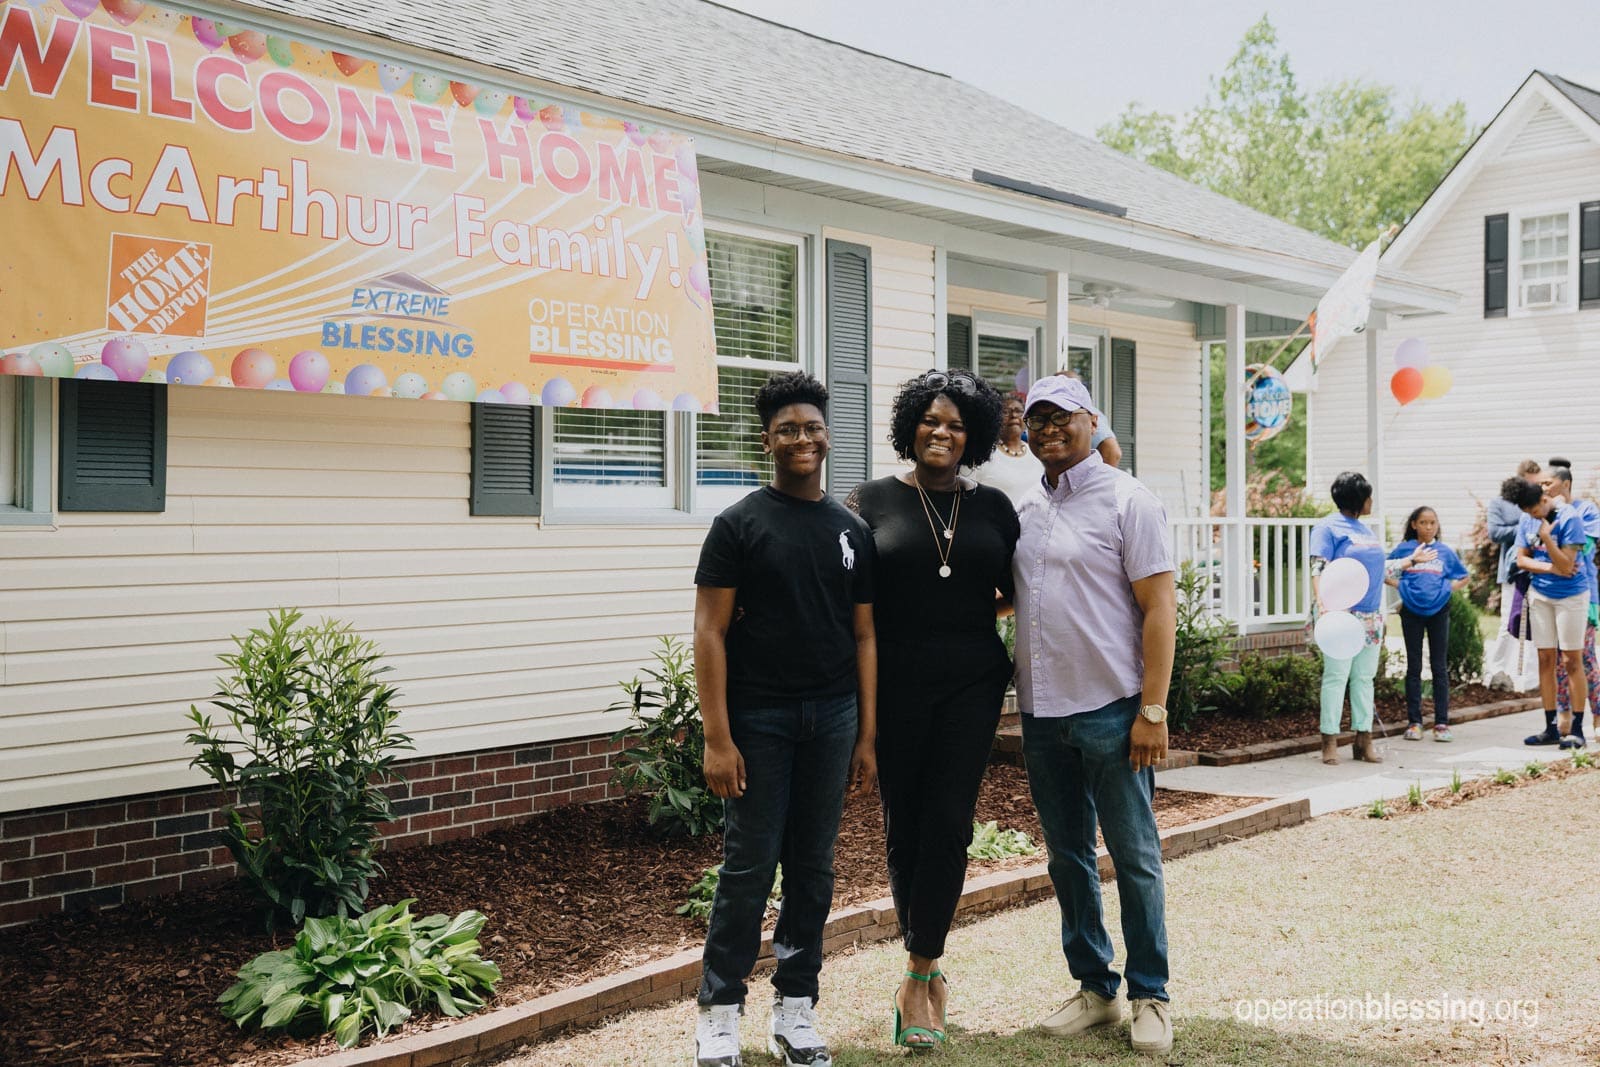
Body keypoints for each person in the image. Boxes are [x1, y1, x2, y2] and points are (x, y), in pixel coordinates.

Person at [691, 370, 879, 1067]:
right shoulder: (738, 525)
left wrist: (866, 734)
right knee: (749, 866)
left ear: (828, 436)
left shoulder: (851, 530)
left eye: (813, 427)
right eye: (788, 429)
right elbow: (709, 632)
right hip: (759, 718)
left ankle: (796, 1008)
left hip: (832, 717)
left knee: (813, 867)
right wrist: (718, 736)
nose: (803, 438)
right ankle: (719, 1012)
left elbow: (865, 635)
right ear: (767, 441)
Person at [848, 368, 1018, 1050]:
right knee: (905, 825)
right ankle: (922, 962)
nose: (941, 432)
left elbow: (1016, 588)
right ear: (909, 426)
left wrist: (966, 615)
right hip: (894, 685)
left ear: (973, 436)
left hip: (972, 685)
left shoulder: (994, 508)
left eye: (955, 424)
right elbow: (849, 598)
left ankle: (921, 975)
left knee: (948, 821)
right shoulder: (870, 500)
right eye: (930, 420)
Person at [1011, 375, 1177, 1056]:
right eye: (1037, 419)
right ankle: (1096, 988)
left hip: (1114, 710)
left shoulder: (1128, 499)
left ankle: (1150, 995)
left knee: (1134, 856)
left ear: (1092, 420)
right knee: (1068, 858)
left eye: (1063, 416)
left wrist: (1153, 709)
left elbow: (1159, 608)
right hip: (1042, 714)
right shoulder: (1026, 509)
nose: (1050, 428)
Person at [1310, 472, 1434, 765]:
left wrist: (1410, 561)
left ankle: (1363, 739)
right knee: (1336, 677)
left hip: (1370, 614)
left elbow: (1377, 571)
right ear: (1358, 499)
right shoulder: (1327, 528)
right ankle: (1329, 740)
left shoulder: (1365, 531)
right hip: (1340, 613)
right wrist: (1324, 604)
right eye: (1368, 495)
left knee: (1364, 678)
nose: (1372, 501)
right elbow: (1318, 568)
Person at [1501, 476, 1589, 751]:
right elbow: (1522, 559)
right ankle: (1550, 727)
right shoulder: (1527, 519)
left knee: (1571, 660)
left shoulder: (1570, 518)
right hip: (1540, 595)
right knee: (1545, 659)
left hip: (1571, 597)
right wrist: (1550, 568)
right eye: (1527, 512)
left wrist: (1548, 539)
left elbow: (1568, 565)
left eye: (1534, 510)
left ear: (1544, 499)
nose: (1532, 516)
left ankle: (1576, 729)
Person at [1385, 507, 1469, 741]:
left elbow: (1464, 576)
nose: (1429, 527)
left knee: (1439, 666)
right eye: (1423, 522)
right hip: (1411, 611)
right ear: (1414, 524)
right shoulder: (1404, 550)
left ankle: (1441, 723)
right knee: (1414, 667)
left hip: (1439, 611)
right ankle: (1414, 722)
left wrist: (1447, 589)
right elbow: (1384, 572)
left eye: (1433, 522)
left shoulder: (1444, 552)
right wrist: (1401, 586)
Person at [1542, 466, 1600, 742]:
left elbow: (1582, 547)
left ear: (1565, 484)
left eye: (1549, 483)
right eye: (1541, 484)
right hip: (1553, 593)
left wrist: (1563, 513)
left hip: (1583, 594)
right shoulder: (1546, 510)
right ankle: (1563, 714)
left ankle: (1597, 715)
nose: (1544, 488)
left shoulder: (1585, 510)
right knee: (1558, 661)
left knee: (1584, 658)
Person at [1484, 460, 1543, 691]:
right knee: (1508, 622)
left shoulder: (1540, 501)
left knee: (1537, 624)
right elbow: (1495, 532)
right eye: (1532, 482)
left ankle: (1531, 679)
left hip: (1537, 570)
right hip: (1512, 571)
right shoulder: (1499, 503)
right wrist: (1525, 526)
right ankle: (1496, 670)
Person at [974, 391, 1045, 507]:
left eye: (1019, 411)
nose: (1014, 415)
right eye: (1006, 412)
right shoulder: (981, 453)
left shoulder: (1037, 452)